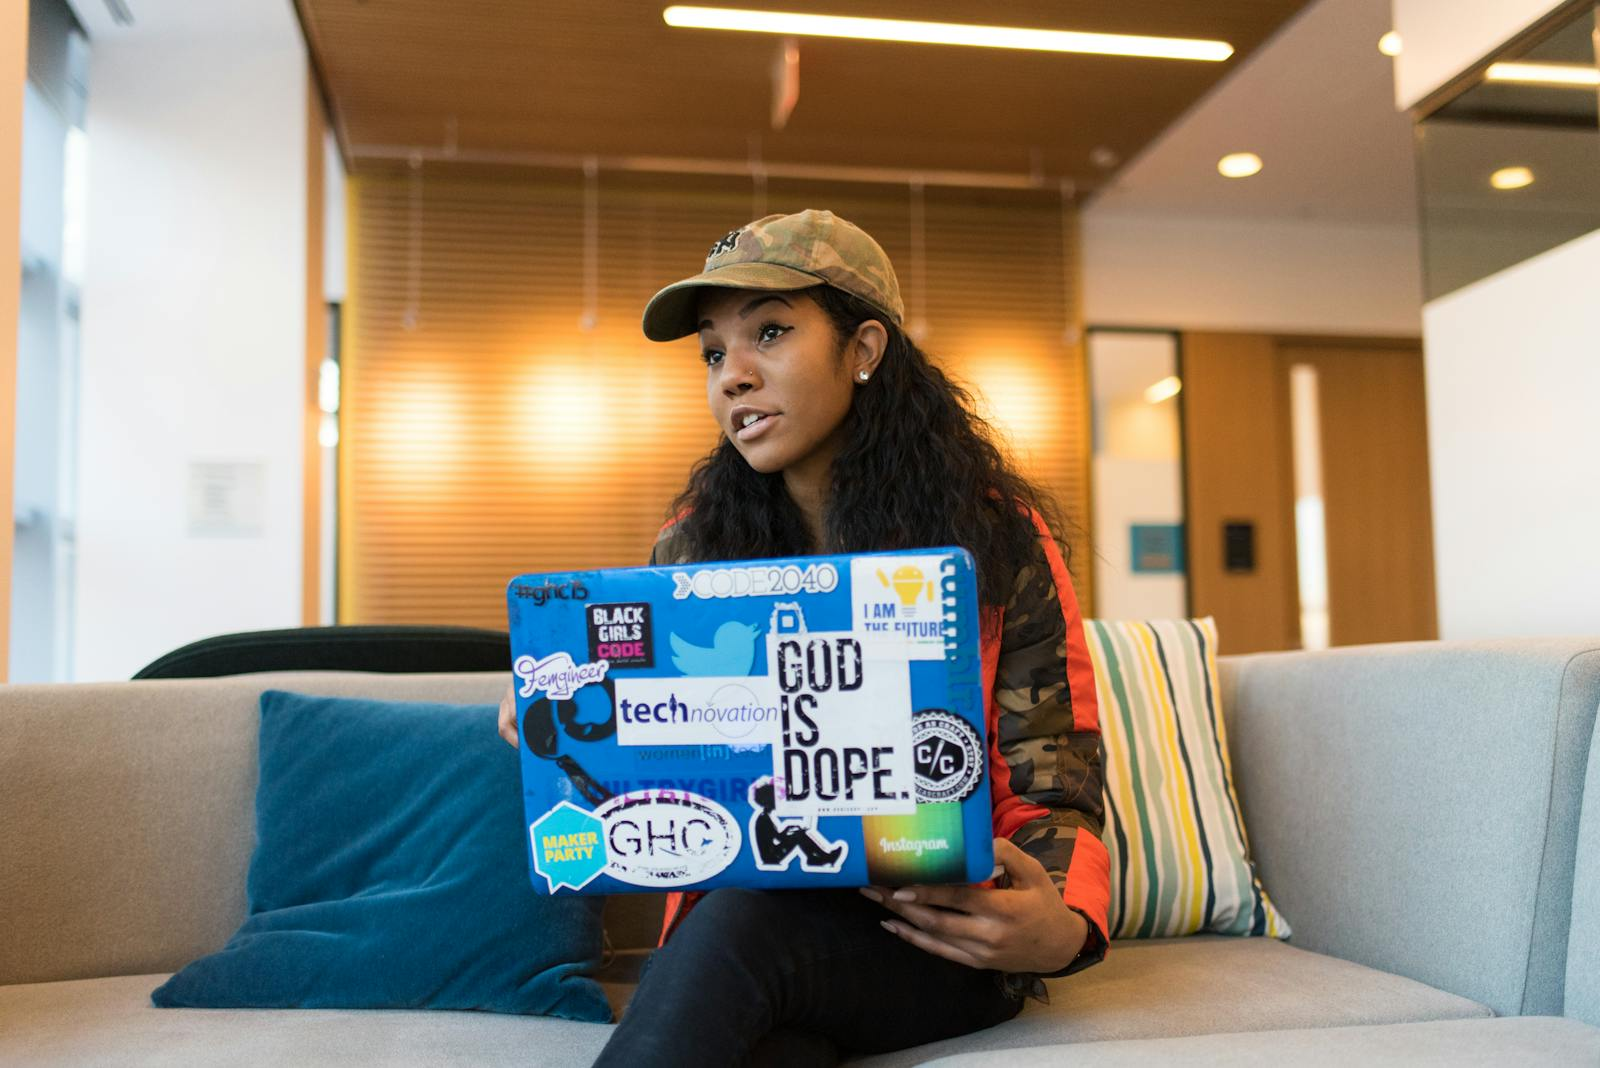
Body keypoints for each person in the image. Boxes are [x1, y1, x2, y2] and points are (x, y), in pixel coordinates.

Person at [498, 209, 1109, 1066]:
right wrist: (559, 715)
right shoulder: (691, 545)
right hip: (750, 926)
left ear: (862, 349)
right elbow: (651, 756)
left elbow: (1054, 767)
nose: (732, 378)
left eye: (771, 333)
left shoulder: (992, 536)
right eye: (714, 354)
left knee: (746, 934)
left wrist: (1061, 931)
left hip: (935, 934)